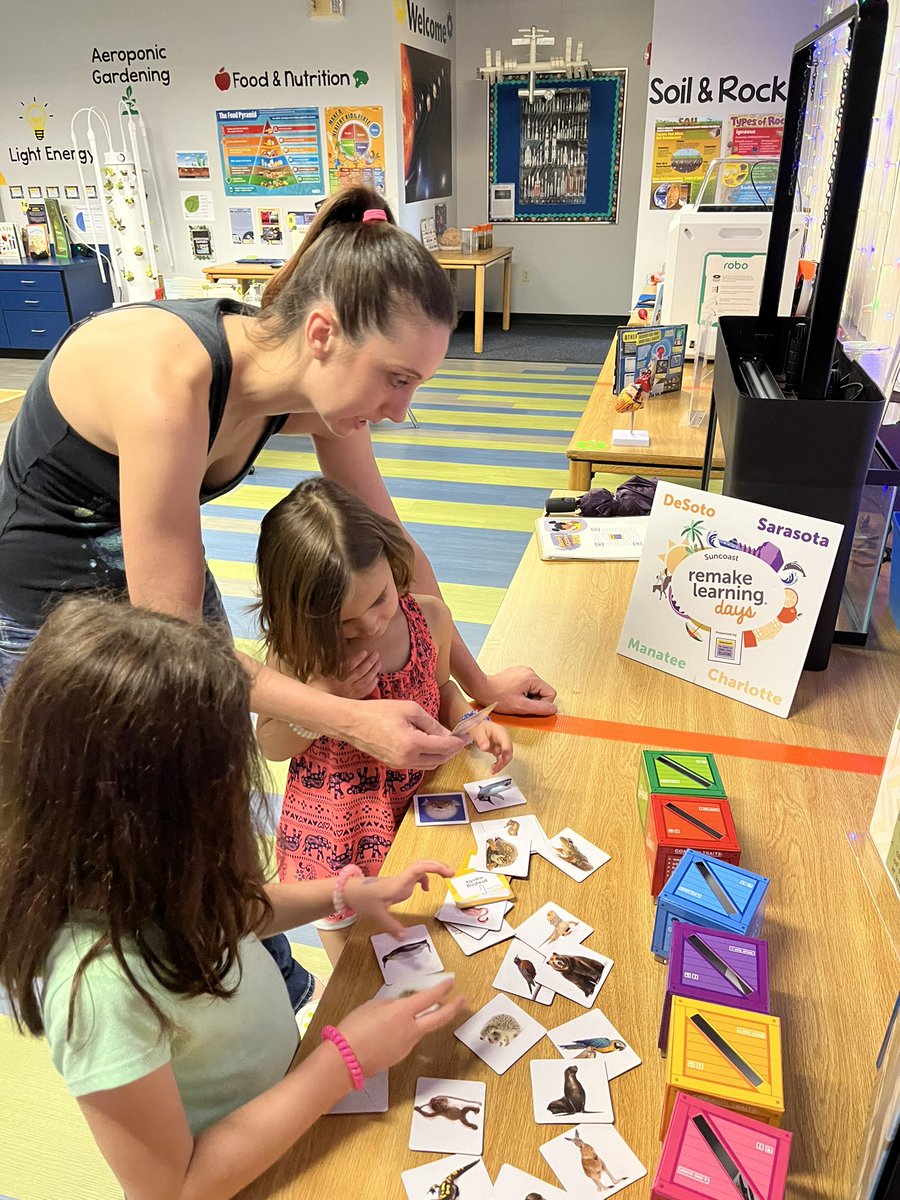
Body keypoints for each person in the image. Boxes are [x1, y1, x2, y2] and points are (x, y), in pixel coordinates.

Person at [0, 184, 557, 767]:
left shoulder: (318, 393)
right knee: (86, 815)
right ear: (322, 334)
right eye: (396, 379)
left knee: (202, 779)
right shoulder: (168, 387)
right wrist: (349, 719)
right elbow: (175, 634)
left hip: (159, 577)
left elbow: (394, 547)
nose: (400, 411)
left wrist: (478, 684)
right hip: (49, 606)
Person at [0, 597, 467, 1200]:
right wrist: (341, 1061)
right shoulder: (95, 988)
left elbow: (230, 916)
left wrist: (341, 890)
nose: (244, 810)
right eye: (226, 789)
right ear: (149, 816)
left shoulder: (144, 879)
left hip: (288, 1112)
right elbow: (174, 1189)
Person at [255, 476, 513, 965]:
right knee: (354, 966)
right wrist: (324, 700)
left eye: (379, 600)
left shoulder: (429, 617)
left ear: (394, 566)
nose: (371, 626)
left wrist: (470, 721)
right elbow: (269, 741)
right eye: (346, 623)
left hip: (414, 812)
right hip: (333, 833)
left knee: (424, 939)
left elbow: (440, 691)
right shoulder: (298, 654)